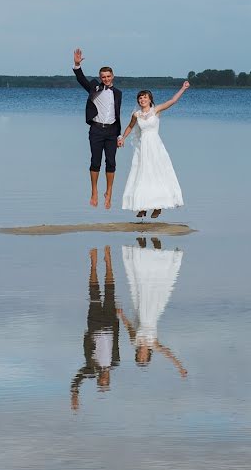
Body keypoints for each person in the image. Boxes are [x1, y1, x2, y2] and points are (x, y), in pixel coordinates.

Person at [118, 81, 189, 219]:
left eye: (144, 97)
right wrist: (122, 138)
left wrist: (183, 88)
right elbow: (130, 127)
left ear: (150, 99)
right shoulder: (136, 114)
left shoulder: (156, 110)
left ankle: (158, 206)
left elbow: (172, 101)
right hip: (142, 147)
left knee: (157, 175)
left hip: (155, 147)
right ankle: (142, 206)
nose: (142, 99)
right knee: (142, 175)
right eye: (140, 98)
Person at [118, 238, 187, 378]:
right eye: (143, 358)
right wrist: (179, 366)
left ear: (137, 355)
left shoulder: (135, 341)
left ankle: (142, 253)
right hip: (153, 312)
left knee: (140, 286)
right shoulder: (153, 344)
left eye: (140, 357)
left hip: (142, 310)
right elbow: (168, 353)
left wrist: (121, 315)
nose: (142, 355)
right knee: (158, 287)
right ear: (148, 355)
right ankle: (158, 255)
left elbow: (130, 327)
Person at [70, 246, 121, 411]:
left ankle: (93, 264)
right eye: (106, 380)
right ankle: (108, 262)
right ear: (109, 379)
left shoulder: (91, 368)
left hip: (95, 325)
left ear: (99, 379)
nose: (104, 378)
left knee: (94, 293)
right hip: (111, 324)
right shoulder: (115, 362)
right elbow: (117, 342)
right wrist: (118, 321)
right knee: (110, 291)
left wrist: (75, 393)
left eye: (102, 381)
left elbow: (77, 379)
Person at [73, 48, 123, 209]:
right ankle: (94, 191)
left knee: (111, 162)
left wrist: (119, 135)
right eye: (103, 77)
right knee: (95, 161)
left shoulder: (118, 93)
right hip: (96, 130)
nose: (106, 79)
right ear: (100, 78)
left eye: (108, 76)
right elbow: (81, 79)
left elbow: (117, 113)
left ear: (112, 77)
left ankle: (109, 192)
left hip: (112, 131)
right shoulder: (94, 88)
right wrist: (77, 65)